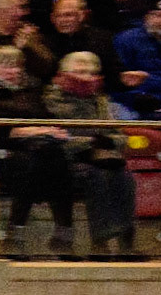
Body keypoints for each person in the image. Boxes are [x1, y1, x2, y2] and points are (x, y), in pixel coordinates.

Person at [0, 44, 74, 258]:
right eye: (6, 66)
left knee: (57, 157)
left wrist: (51, 130)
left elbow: (46, 118)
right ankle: (16, 229)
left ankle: (63, 230)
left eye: (17, 66)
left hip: (31, 148)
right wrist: (27, 131)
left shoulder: (30, 90)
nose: (14, 71)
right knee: (31, 163)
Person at [42, 51, 138, 258]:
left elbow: (120, 136)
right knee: (96, 176)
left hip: (103, 158)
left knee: (125, 178)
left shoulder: (101, 102)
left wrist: (110, 141)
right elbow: (55, 137)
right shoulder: (51, 100)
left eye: (90, 72)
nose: (86, 77)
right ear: (64, 74)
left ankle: (126, 240)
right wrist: (90, 143)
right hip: (67, 161)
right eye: (79, 72)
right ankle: (100, 240)